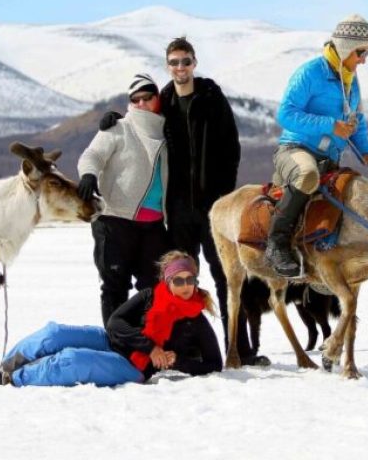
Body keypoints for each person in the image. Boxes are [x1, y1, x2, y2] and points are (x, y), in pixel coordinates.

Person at [101, 37, 258, 362]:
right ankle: (185, 347)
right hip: (178, 211)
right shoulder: (166, 101)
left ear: (194, 63)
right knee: (181, 280)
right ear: (167, 66)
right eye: (174, 62)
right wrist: (113, 120)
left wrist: (223, 196)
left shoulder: (212, 97)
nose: (180, 67)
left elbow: (232, 148)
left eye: (185, 61)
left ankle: (240, 349)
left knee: (226, 276)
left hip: (215, 209)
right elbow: (140, 119)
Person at [0, 251, 221, 387]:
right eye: (178, 281)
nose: (185, 287)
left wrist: (176, 361)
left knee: (72, 360)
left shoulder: (196, 320)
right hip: (111, 341)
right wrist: (150, 347)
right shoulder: (149, 296)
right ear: (167, 281)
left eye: (190, 280)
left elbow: (214, 363)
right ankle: (7, 363)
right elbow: (114, 323)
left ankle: (13, 378)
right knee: (55, 333)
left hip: (132, 367)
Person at [267, 14, 368, 278]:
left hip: (329, 157)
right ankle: (277, 243)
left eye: (367, 54)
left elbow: (357, 121)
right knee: (308, 175)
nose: (364, 60)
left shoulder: (351, 80)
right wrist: (329, 125)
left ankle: (325, 253)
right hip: (296, 151)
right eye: (361, 52)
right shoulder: (311, 72)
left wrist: (366, 151)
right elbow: (285, 114)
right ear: (345, 49)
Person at [77, 73, 170, 325]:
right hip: (114, 218)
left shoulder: (168, 130)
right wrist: (88, 175)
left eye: (147, 97)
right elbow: (92, 155)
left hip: (154, 225)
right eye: (135, 99)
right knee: (114, 286)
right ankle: (116, 347)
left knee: (152, 287)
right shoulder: (119, 128)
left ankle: (146, 344)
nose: (141, 104)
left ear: (157, 99)